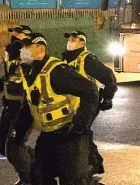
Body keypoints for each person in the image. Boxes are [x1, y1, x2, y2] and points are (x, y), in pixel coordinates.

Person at [11, 33, 99, 185]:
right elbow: (29, 106)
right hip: (49, 136)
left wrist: (80, 125)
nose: (23, 50)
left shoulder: (57, 71)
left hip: (70, 136)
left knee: (72, 181)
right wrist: (18, 135)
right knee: (38, 177)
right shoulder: (29, 72)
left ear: (40, 48)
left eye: (27, 46)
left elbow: (90, 90)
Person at [62, 31, 118, 178]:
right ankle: (91, 163)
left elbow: (109, 76)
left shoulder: (87, 59)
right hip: (72, 105)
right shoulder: (67, 58)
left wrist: (107, 98)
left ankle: (91, 164)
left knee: (81, 132)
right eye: (69, 39)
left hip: (87, 105)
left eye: (74, 39)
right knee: (80, 133)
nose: (70, 42)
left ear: (82, 43)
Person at [0, 25, 34, 184]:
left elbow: (31, 73)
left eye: (18, 33)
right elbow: (12, 74)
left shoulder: (30, 52)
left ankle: (28, 178)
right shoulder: (11, 51)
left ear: (27, 36)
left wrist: (23, 52)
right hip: (10, 103)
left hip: (23, 105)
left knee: (14, 146)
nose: (14, 36)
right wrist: (1, 82)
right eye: (13, 33)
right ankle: (36, 161)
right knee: (0, 141)